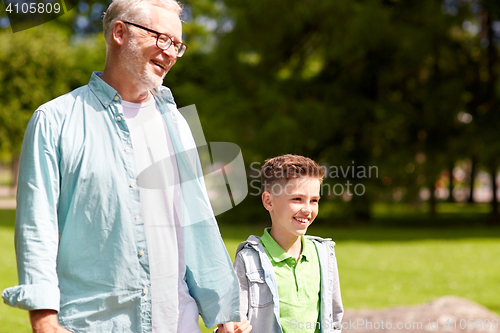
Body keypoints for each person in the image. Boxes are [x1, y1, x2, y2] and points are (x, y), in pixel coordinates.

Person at [2, 0, 251, 332]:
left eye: (177, 45)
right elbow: (37, 226)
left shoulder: (176, 121)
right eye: (162, 39)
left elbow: (197, 219)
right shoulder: (54, 120)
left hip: (179, 323)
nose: (171, 53)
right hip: (95, 324)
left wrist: (225, 309)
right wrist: (44, 317)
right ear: (119, 32)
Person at [232, 154, 343, 333]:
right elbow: (235, 321)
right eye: (297, 199)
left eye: (314, 200)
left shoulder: (324, 254)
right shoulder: (249, 259)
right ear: (268, 201)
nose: (307, 209)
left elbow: (334, 317)